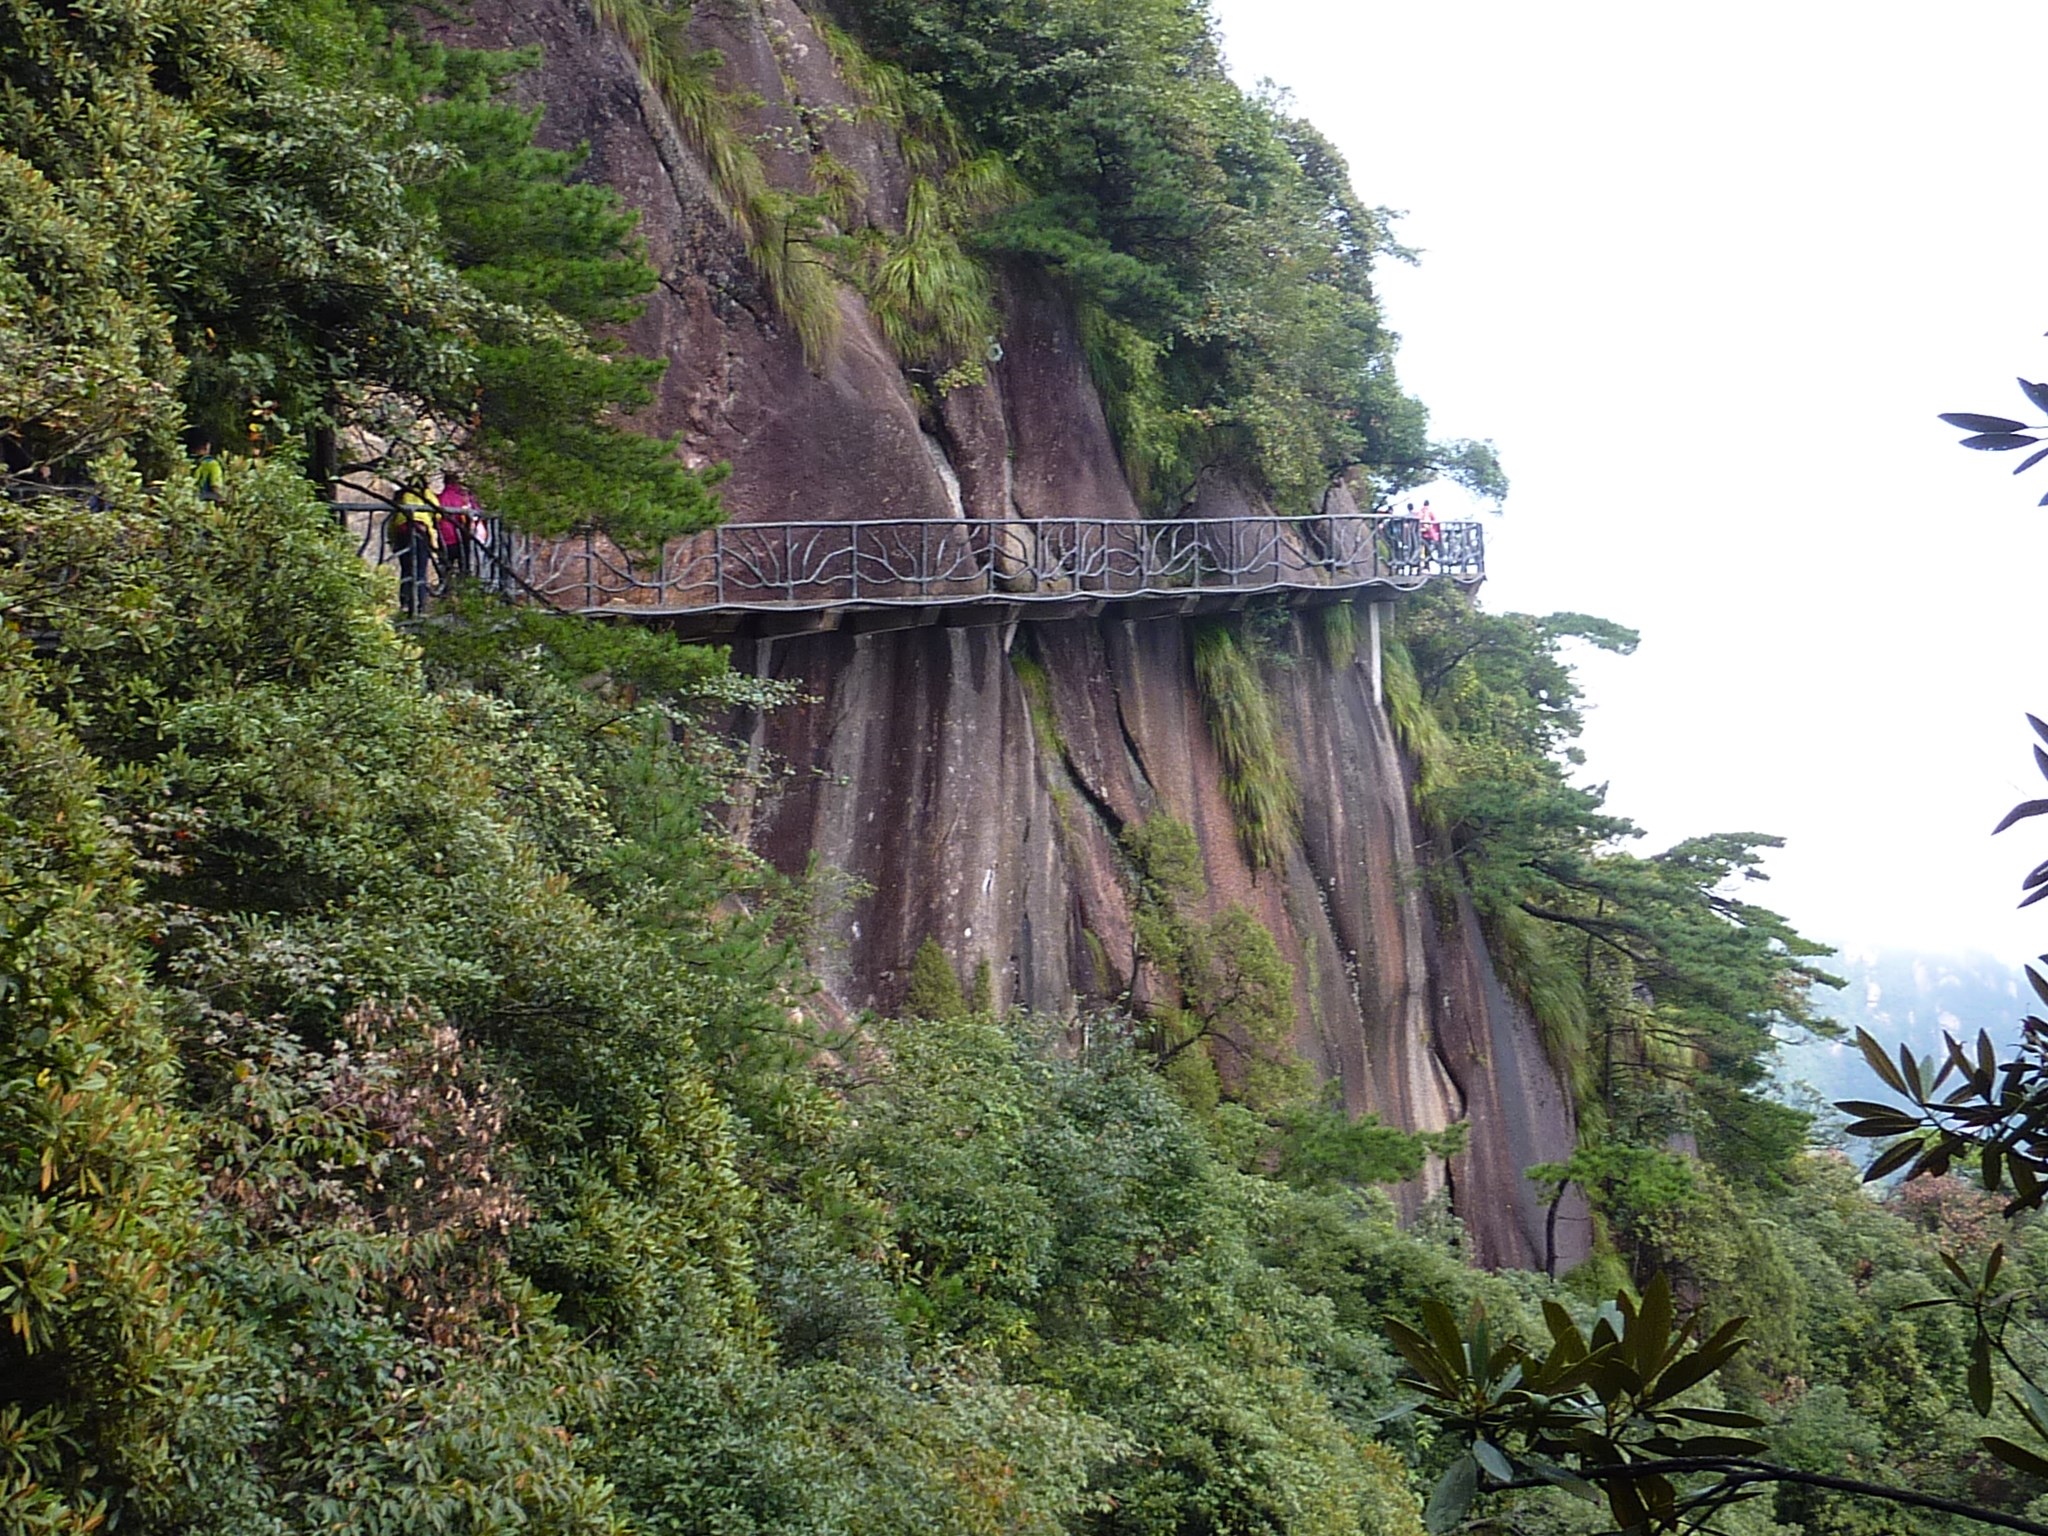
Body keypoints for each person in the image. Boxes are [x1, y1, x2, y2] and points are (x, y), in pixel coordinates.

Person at [388, 480, 440, 617]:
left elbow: (391, 520)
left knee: (406, 568)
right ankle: (420, 605)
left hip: (402, 531)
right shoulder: (426, 493)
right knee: (420, 569)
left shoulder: (401, 494)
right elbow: (438, 511)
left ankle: (405, 603)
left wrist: (392, 540)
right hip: (420, 530)